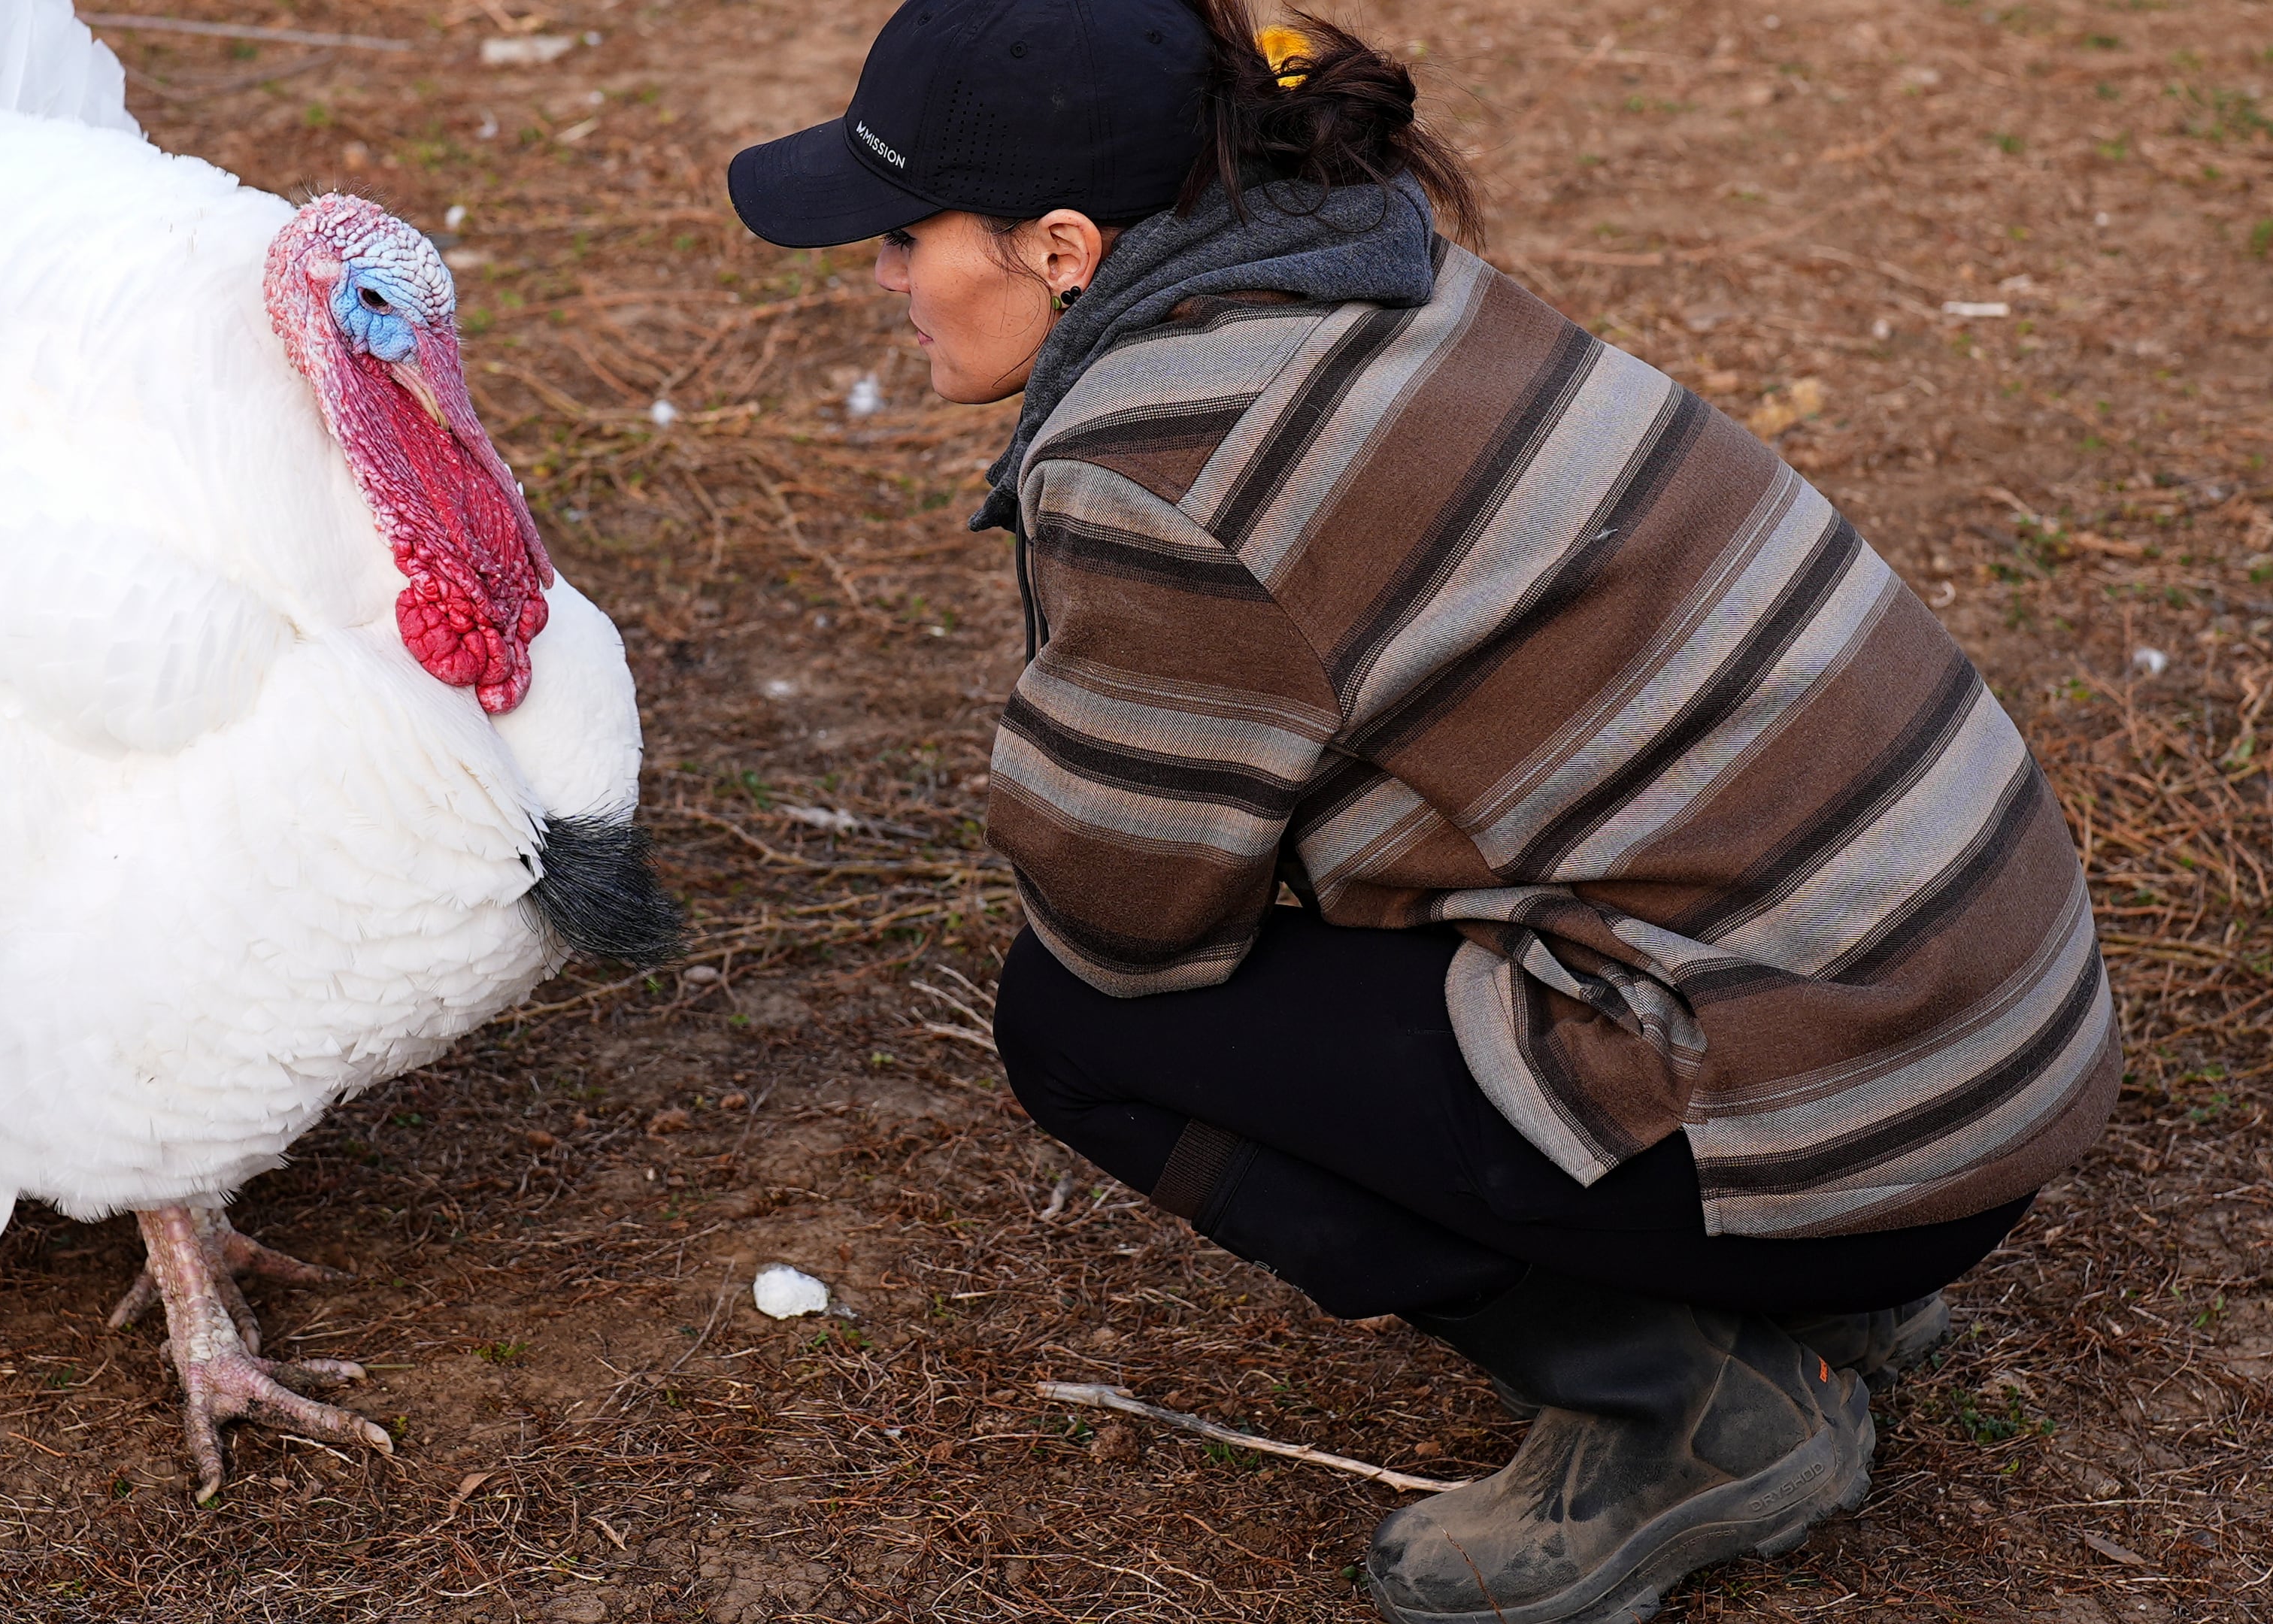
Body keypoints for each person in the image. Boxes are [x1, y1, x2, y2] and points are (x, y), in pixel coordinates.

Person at [726, 1, 2119, 1618]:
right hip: (1970, 1045)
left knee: (1077, 1024)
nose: (884, 280)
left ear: (1060, 247)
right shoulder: (1363, 264)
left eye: (903, 235)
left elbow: (1121, 911)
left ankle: (1687, 1408)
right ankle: (1806, 1278)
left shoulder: (1165, 453)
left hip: (1867, 1128)